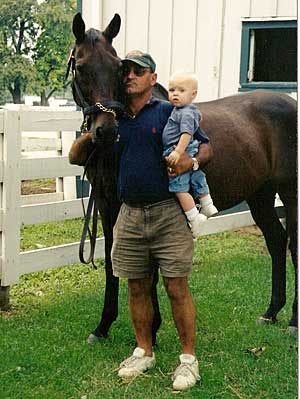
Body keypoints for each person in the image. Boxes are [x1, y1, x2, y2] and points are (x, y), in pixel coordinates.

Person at [110, 50, 212, 391]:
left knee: (175, 287)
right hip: (130, 215)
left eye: (138, 71)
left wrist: (191, 164)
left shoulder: (171, 110)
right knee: (136, 285)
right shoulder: (115, 116)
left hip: (168, 213)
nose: (129, 76)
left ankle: (188, 361)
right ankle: (144, 351)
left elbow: (207, 148)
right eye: (126, 70)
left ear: (153, 79)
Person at [162, 71, 218, 238]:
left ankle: (194, 217)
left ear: (193, 94)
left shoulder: (185, 112)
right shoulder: (184, 110)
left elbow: (186, 133)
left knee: (179, 188)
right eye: (172, 90)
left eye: (181, 90)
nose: (175, 94)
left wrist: (178, 152)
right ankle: (207, 203)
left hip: (179, 151)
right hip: (185, 150)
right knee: (196, 175)